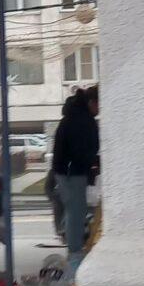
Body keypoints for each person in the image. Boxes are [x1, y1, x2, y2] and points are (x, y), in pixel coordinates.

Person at [51, 85, 100, 266]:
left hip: (68, 170)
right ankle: (75, 253)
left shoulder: (75, 115)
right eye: (99, 105)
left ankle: (72, 243)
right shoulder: (81, 119)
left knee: (75, 210)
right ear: (92, 102)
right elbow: (82, 150)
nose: (100, 110)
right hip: (72, 172)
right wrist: (93, 164)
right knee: (76, 211)